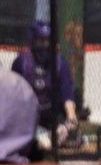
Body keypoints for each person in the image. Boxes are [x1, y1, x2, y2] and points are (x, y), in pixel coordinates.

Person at [11, 20, 79, 149]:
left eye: (48, 40)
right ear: (33, 40)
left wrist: (71, 118)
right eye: (41, 40)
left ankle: (48, 137)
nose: (45, 45)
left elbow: (67, 94)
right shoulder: (22, 63)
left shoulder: (60, 63)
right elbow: (13, 95)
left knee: (73, 139)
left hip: (52, 115)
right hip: (28, 116)